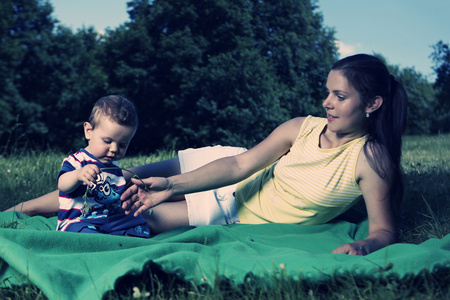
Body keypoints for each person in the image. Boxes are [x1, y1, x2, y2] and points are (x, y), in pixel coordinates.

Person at [5, 54, 407, 255]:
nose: (327, 103)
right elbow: (239, 164)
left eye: (340, 96)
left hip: (235, 210)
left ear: (372, 104)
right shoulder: (300, 126)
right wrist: (167, 183)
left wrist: (364, 247)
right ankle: (22, 209)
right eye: (327, 92)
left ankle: (47, 211)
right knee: (121, 180)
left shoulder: (372, 162)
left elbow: (385, 230)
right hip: (220, 166)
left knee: (133, 215)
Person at [55, 95, 150, 237]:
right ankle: (99, 240)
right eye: (107, 141)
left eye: (122, 145)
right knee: (84, 232)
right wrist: (78, 174)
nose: (114, 149)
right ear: (89, 131)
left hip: (108, 219)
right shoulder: (77, 161)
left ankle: (124, 239)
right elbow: (62, 184)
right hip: (79, 220)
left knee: (138, 222)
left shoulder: (114, 166)